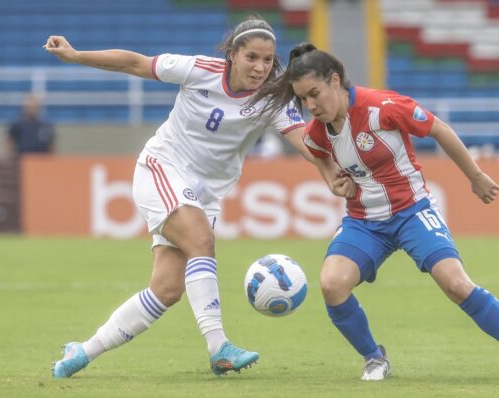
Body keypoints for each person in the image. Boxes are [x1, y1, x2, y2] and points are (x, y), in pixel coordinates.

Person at [43, 18, 354, 378]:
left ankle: (81, 352)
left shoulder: (271, 97)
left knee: (166, 290)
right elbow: (134, 62)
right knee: (201, 241)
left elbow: (301, 137)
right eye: (252, 57)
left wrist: (330, 173)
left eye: (268, 60)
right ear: (232, 54)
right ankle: (219, 346)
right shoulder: (198, 69)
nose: (260, 67)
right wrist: (76, 55)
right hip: (163, 168)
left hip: (205, 195)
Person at [253, 42, 499, 381]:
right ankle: (374, 357)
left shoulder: (382, 107)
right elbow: (318, 154)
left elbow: (438, 129)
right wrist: (331, 181)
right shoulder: (317, 132)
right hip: (363, 222)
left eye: (315, 94)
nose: (310, 106)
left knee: (456, 284)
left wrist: (475, 176)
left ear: (335, 80)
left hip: (412, 211)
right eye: (302, 100)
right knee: (331, 284)